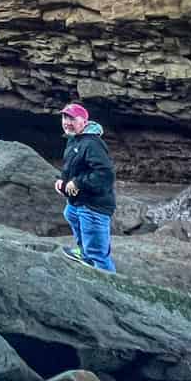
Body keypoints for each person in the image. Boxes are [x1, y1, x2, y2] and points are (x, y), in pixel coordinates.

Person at [54, 103, 117, 272]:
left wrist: (78, 183)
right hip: (79, 201)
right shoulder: (75, 139)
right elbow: (74, 166)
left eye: (72, 118)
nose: (67, 122)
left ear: (84, 122)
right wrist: (63, 180)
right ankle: (84, 254)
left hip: (93, 205)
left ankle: (111, 286)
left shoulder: (91, 143)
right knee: (70, 214)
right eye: (64, 117)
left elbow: (105, 174)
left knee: (98, 252)